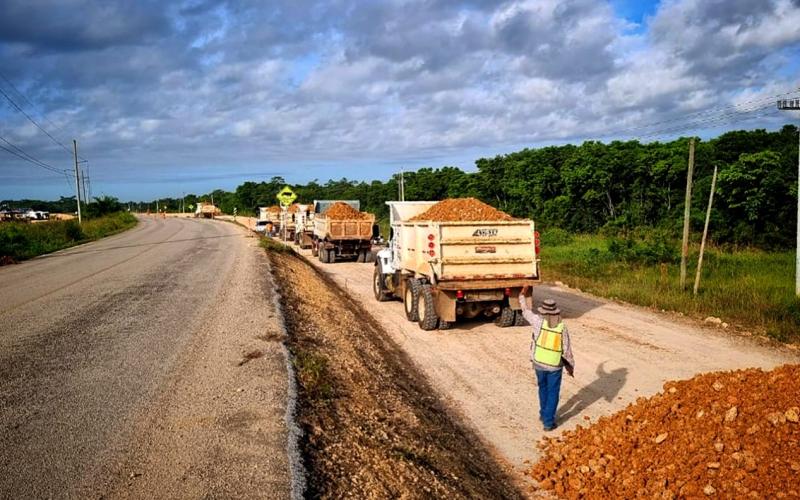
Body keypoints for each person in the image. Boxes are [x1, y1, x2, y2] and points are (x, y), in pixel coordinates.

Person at [519, 285, 574, 431]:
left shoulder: (537, 321)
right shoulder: (562, 327)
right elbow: (567, 350)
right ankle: (548, 422)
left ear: (543, 311)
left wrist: (522, 293)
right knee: (553, 391)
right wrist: (570, 367)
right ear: (556, 313)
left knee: (542, 388)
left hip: (538, 363)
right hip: (554, 365)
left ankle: (544, 415)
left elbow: (525, 310)